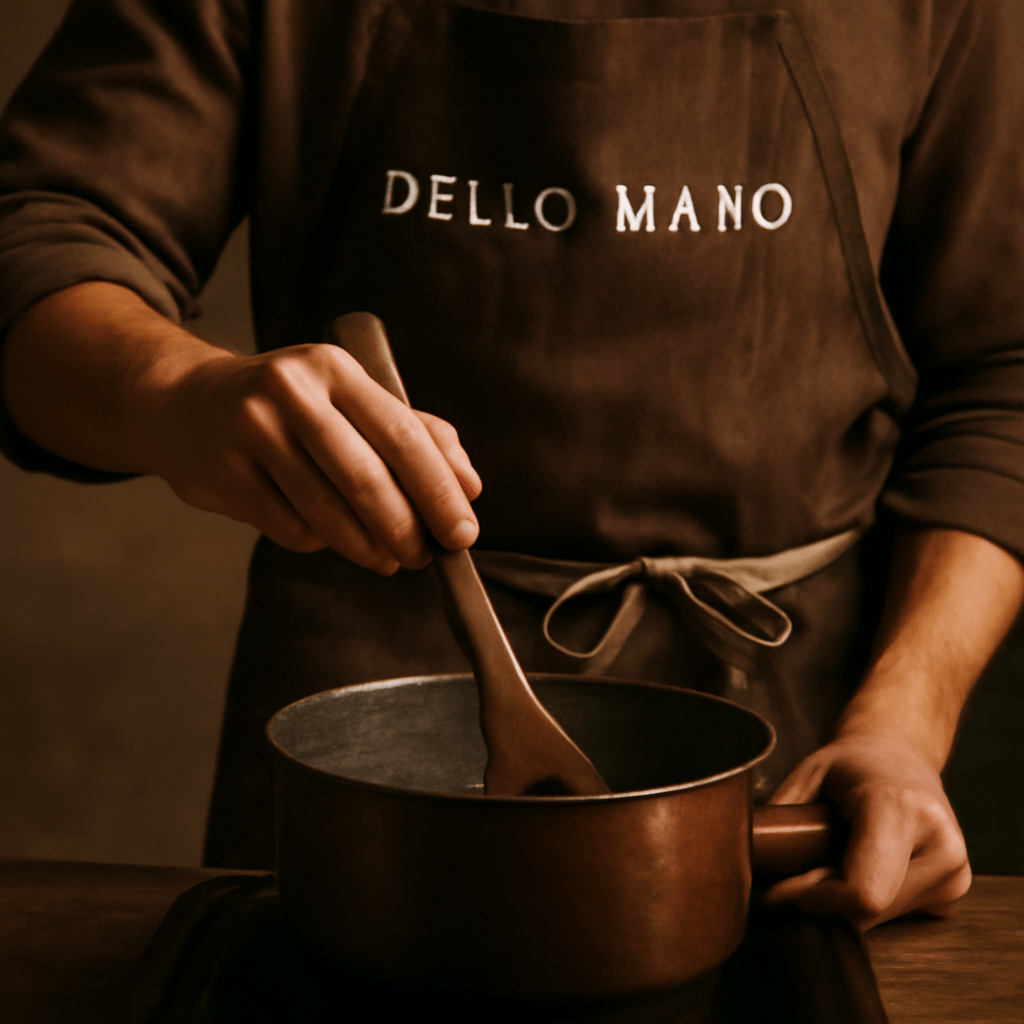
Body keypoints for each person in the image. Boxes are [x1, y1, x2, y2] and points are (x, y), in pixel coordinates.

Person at [2, 0, 1023, 931]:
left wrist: (903, 725)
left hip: (804, 754)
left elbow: (1004, 367)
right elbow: (35, 237)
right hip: (363, 737)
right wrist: (176, 394)